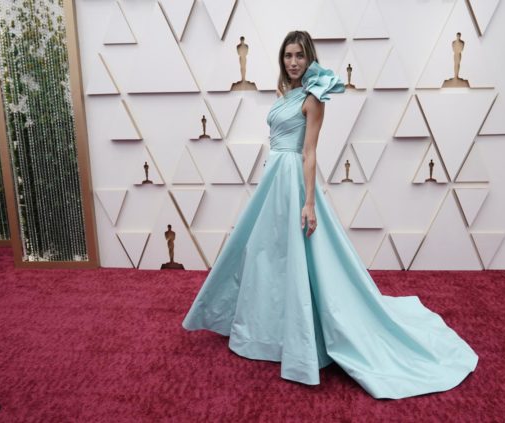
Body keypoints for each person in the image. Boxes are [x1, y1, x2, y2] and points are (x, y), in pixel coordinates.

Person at [182, 30, 478, 399]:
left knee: (295, 256)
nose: (293, 62)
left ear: (309, 59)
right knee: (264, 254)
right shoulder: (285, 95)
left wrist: (308, 202)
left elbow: (309, 153)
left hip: (293, 180)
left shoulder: (313, 99)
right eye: (288, 55)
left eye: (299, 56)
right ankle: (265, 330)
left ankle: (301, 335)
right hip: (273, 179)